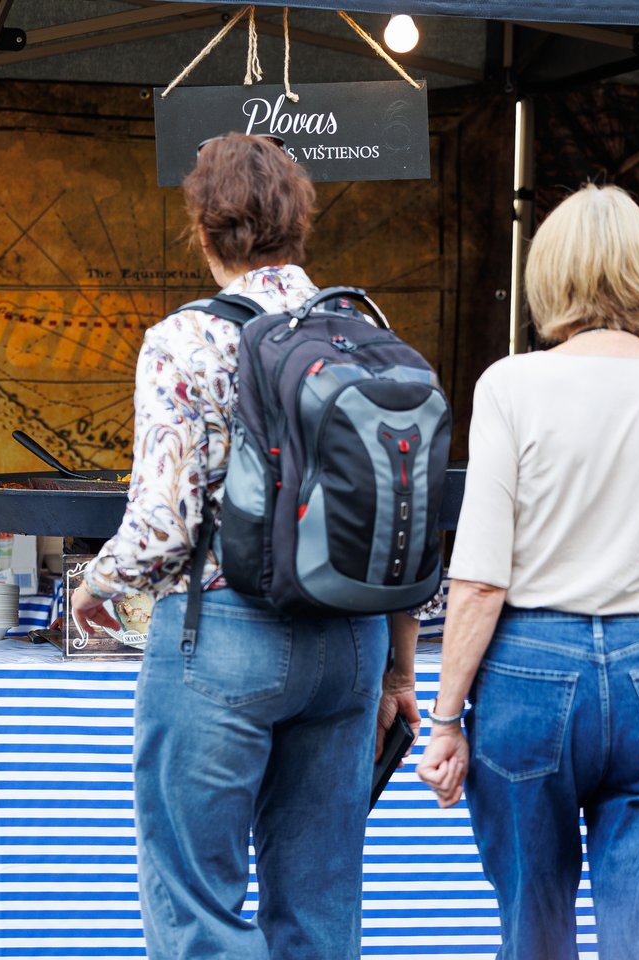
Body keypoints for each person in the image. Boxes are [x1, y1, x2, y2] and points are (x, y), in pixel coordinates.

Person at [70, 132, 435, 959]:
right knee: (321, 903)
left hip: (224, 634)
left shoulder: (183, 340)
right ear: (299, 227)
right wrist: (399, 671)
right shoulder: (361, 328)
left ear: (202, 231)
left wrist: (97, 584)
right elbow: (401, 511)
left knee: (199, 902)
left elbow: (162, 525)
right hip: (351, 642)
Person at [416, 184, 639, 960]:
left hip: (529, 670)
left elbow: (480, 579)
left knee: (534, 928)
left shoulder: (511, 385)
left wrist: (447, 719)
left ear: (549, 276)